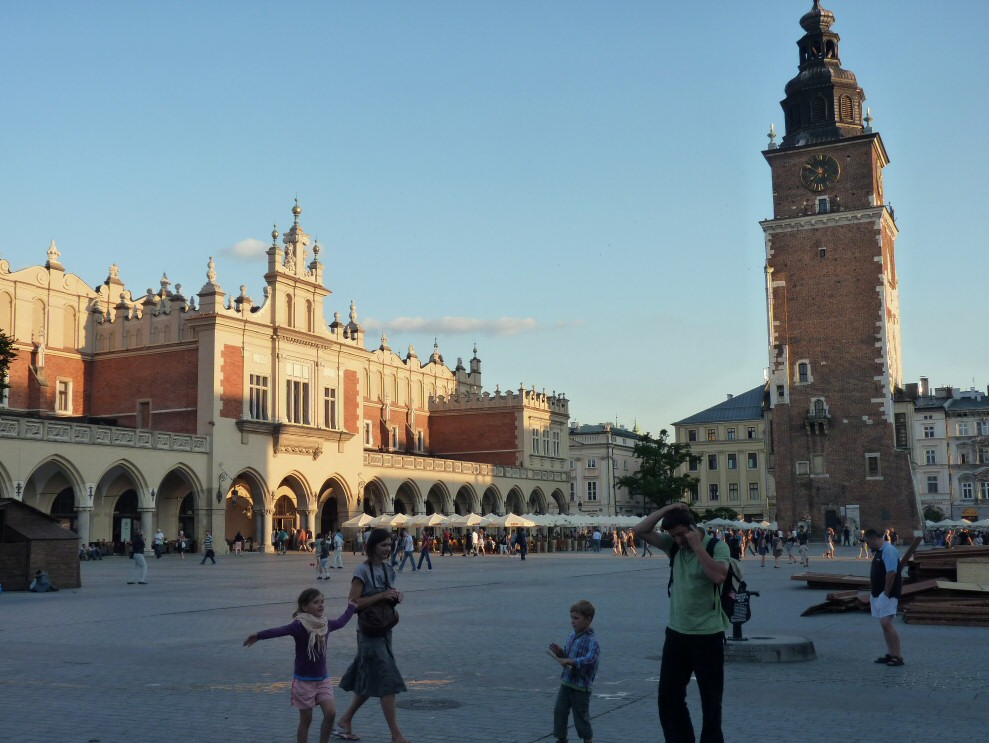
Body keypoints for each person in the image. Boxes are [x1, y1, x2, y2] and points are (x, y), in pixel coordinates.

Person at [633, 503, 729, 743]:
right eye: (672, 535)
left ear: (692, 528)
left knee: (711, 701)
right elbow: (640, 530)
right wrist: (668, 509)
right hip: (676, 634)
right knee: (668, 698)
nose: (677, 540)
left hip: (709, 635)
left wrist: (697, 546)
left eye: (680, 534)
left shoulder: (718, 546)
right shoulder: (673, 547)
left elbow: (719, 576)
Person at [244, 588, 357, 743]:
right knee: (306, 720)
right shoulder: (299, 626)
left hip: (322, 679)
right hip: (304, 682)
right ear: (305, 607)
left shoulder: (325, 624)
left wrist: (351, 607)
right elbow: (279, 630)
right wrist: (258, 635)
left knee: (330, 713)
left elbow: (340, 622)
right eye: (316, 602)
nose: (321, 605)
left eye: (322, 602)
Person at [335, 528, 410, 743]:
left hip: (384, 630)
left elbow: (384, 597)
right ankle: (396, 735)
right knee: (386, 680)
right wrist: (382, 595)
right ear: (372, 547)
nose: (388, 549)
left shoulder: (388, 570)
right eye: (383, 545)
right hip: (368, 634)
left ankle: (345, 719)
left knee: (370, 678)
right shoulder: (362, 570)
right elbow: (353, 602)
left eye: (389, 545)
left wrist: (393, 597)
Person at [549, 599, 600, 743]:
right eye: (571, 618)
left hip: (580, 687)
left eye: (576, 618)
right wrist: (560, 653)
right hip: (567, 683)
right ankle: (561, 738)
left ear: (588, 619)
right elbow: (567, 658)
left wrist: (571, 661)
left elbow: (590, 660)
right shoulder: (571, 637)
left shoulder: (592, 641)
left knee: (581, 717)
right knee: (559, 711)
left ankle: (587, 740)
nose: (572, 621)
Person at [864, 528, 905, 667]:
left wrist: (886, 593)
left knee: (887, 624)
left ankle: (898, 656)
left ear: (874, 539)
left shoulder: (889, 550)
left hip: (888, 594)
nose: (868, 545)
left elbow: (891, 573)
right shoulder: (879, 551)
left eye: (868, 542)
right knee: (884, 625)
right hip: (879, 593)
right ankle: (891, 653)